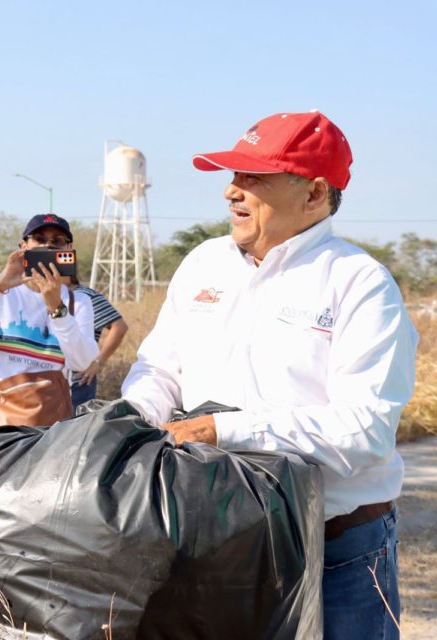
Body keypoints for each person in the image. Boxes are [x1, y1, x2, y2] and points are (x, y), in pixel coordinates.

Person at [120, 111, 418, 639]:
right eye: (233, 176)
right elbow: (160, 368)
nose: (232, 193)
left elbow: (364, 432)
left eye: (254, 178)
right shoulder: (203, 265)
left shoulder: (358, 283)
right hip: (211, 536)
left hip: (335, 549)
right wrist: (133, 419)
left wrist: (225, 430)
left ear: (314, 194)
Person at [0, 214, 99, 431]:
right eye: (39, 239)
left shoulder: (78, 302)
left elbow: (82, 363)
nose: (47, 245)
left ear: (69, 249)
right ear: (23, 246)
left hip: (50, 428)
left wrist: (57, 308)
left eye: (57, 241)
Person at [68, 280, 128, 409]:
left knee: (76, 426)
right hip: (50, 383)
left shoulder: (85, 296)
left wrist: (98, 362)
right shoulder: (41, 295)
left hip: (78, 381)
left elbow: (119, 327)